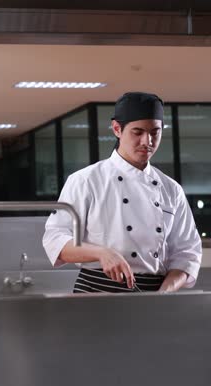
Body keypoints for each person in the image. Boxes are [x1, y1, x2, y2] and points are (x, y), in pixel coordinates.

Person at [43, 92, 201, 293]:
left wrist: (163, 294)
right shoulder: (86, 180)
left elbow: (187, 253)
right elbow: (55, 238)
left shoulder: (171, 189)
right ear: (117, 129)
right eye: (138, 132)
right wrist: (101, 253)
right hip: (96, 291)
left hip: (155, 292)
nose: (147, 141)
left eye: (155, 132)